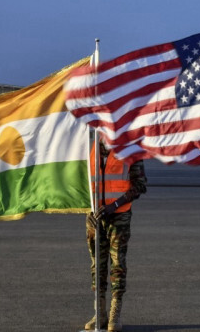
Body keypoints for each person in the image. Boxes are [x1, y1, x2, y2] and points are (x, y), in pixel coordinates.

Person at [85, 141, 147, 332]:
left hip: (118, 216)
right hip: (94, 216)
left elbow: (140, 185)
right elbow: (81, 183)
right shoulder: (88, 147)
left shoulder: (130, 148)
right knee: (97, 264)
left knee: (117, 263)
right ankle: (100, 312)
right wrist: (88, 210)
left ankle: (114, 313)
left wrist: (115, 205)